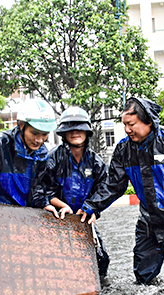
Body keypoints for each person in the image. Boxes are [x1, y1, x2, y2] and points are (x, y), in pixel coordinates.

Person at [78, 97, 164, 291]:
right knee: (143, 278)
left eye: (131, 124)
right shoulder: (124, 149)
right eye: (124, 124)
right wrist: (93, 206)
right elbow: (114, 184)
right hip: (149, 219)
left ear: (148, 121)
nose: (127, 130)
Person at [32, 107, 110, 279]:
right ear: (64, 133)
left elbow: (104, 189)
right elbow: (41, 190)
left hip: (84, 218)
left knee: (101, 259)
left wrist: (93, 210)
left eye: (79, 128)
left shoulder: (95, 161)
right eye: (70, 128)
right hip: (57, 219)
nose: (75, 132)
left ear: (87, 131)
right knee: (57, 265)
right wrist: (61, 206)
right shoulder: (52, 159)